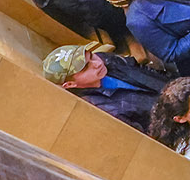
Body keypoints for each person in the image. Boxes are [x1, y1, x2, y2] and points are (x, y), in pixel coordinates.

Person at [42, 44, 172, 132]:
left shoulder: (104, 60)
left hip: (176, 87)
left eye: (92, 56)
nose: (97, 63)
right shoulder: (99, 109)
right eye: (86, 67)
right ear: (70, 84)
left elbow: (139, 68)